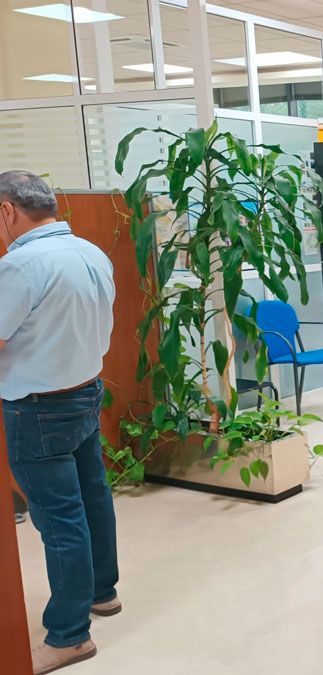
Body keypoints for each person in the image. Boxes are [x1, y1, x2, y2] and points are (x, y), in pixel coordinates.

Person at [0, 170, 119, 675]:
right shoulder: (92, 253)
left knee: (59, 520)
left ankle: (70, 636)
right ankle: (102, 593)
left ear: (7, 211)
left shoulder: (20, 265)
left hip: (37, 408)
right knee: (92, 498)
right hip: (85, 392)